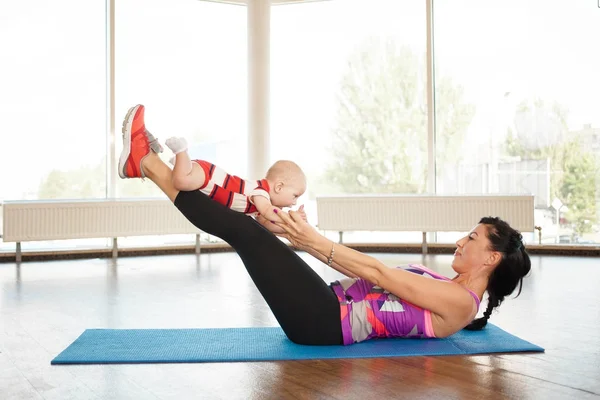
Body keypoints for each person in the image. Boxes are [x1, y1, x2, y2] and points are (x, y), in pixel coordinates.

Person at [118, 110, 531, 345]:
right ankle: (147, 166)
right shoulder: (448, 287)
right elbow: (364, 275)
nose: (462, 241)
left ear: (491, 258)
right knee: (253, 226)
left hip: (323, 321)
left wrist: (313, 240)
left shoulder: (461, 303)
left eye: (472, 238)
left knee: (246, 232)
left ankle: (148, 164)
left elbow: (379, 273)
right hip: (323, 307)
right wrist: (302, 239)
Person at [120, 104, 307, 231]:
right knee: (180, 181)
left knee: (180, 180)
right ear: (279, 186)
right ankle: (181, 152)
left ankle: (148, 159)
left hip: (207, 179)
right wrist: (290, 218)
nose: (294, 202)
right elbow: (268, 212)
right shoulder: (262, 194)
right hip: (210, 177)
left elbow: (268, 224)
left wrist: (291, 225)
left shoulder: (259, 206)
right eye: (295, 195)